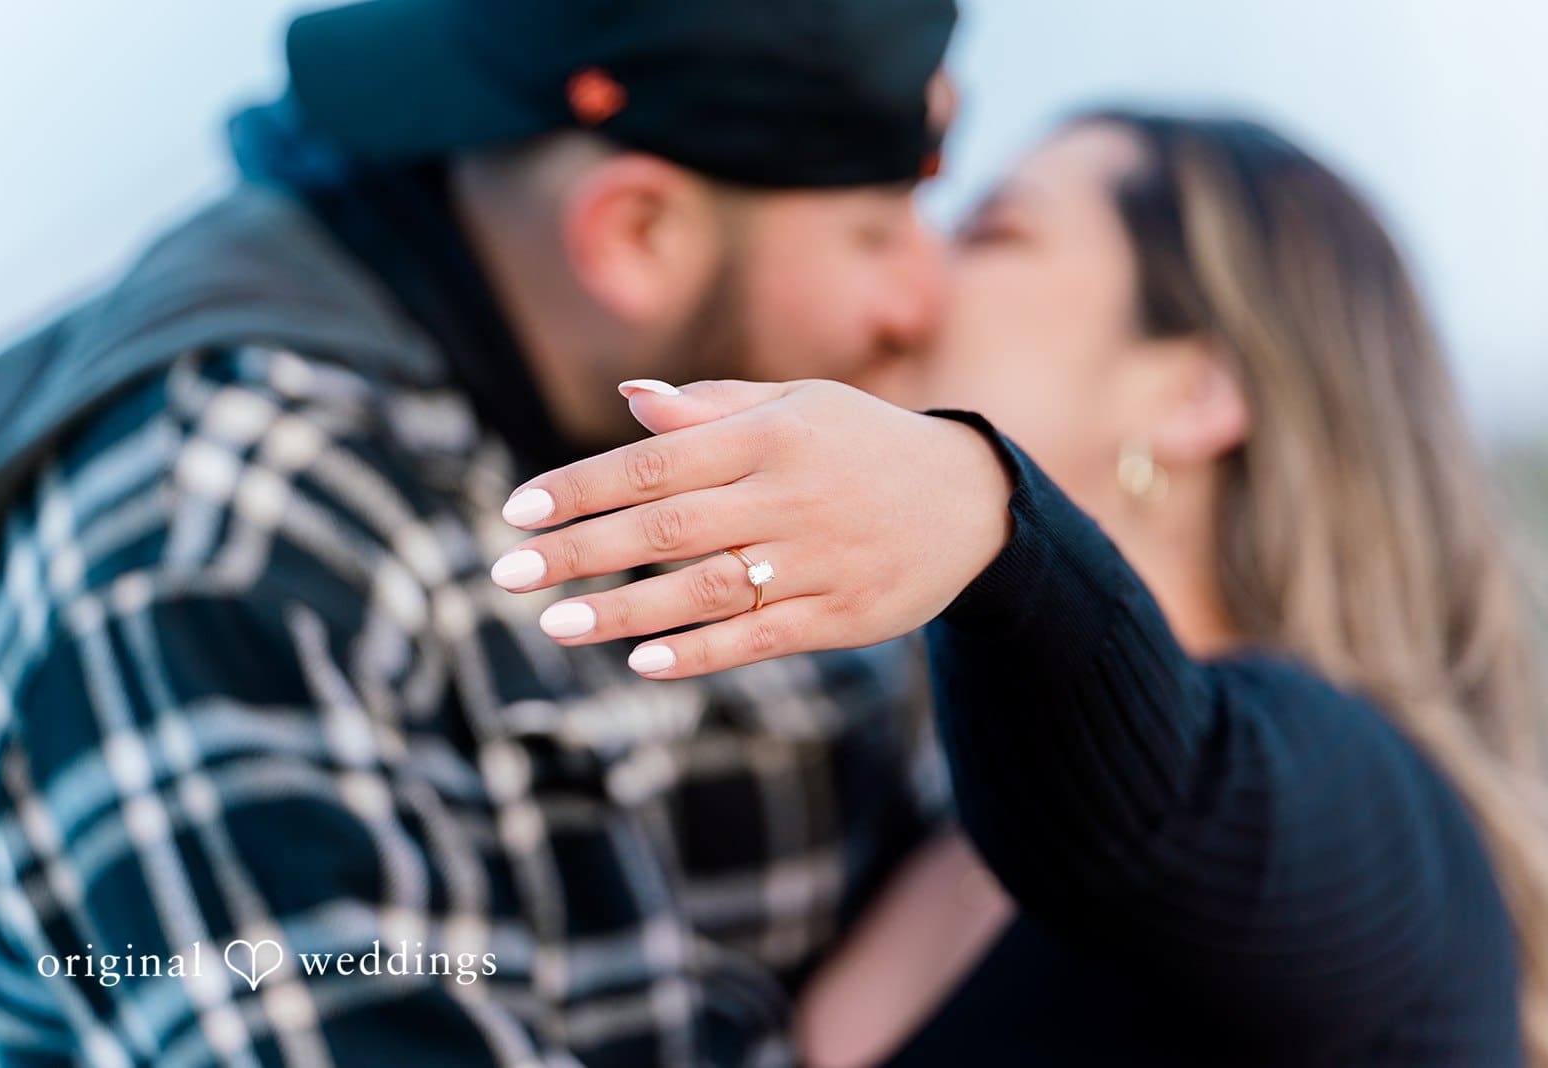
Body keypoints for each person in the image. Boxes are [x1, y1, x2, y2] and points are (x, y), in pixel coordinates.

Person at [0, 1, 960, 1064]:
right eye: (878, 229)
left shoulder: (600, 386)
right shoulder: (218, 554)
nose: (927, 297)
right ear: (635, 234)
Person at [491, 112, 1548, 1065]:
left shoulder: (1371, 818)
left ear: (1190, 392)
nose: (922, 275)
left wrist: (991, 508)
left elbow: (1171, 798)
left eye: (993, 231)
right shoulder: (905, 805)